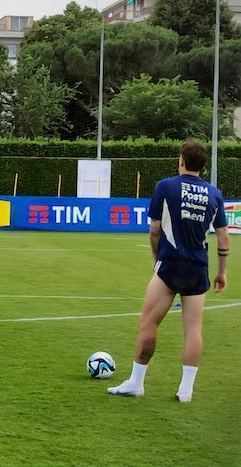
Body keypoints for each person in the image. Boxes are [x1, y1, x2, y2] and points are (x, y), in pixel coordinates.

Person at [107, 140, 229, 403]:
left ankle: (136, 383)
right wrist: (222, 272)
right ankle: (186, 391)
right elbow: (223, 238)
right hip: (199, 267)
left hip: (170, 263)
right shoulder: (215, 194)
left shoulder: (166, 186)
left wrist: (155, 258)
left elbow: (155, 228)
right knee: (194, 328)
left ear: (182, 160)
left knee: (149, 323)